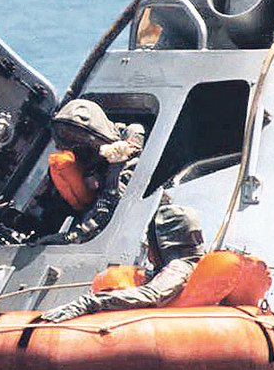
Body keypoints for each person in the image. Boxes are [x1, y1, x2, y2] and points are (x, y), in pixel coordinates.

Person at [40, 203, 205, 323]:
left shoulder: (180, 267)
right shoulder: (192, 263)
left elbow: (152, 294)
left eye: (152, 241)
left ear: (166, 243)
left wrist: (87, 303)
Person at [30, 99, 144, 246]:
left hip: (121, 223)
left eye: (78, 140)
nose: (75, 147)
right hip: (88, 212)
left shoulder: (129, 141)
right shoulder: (80, 157)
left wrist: (70, 237)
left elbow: (112, 200)